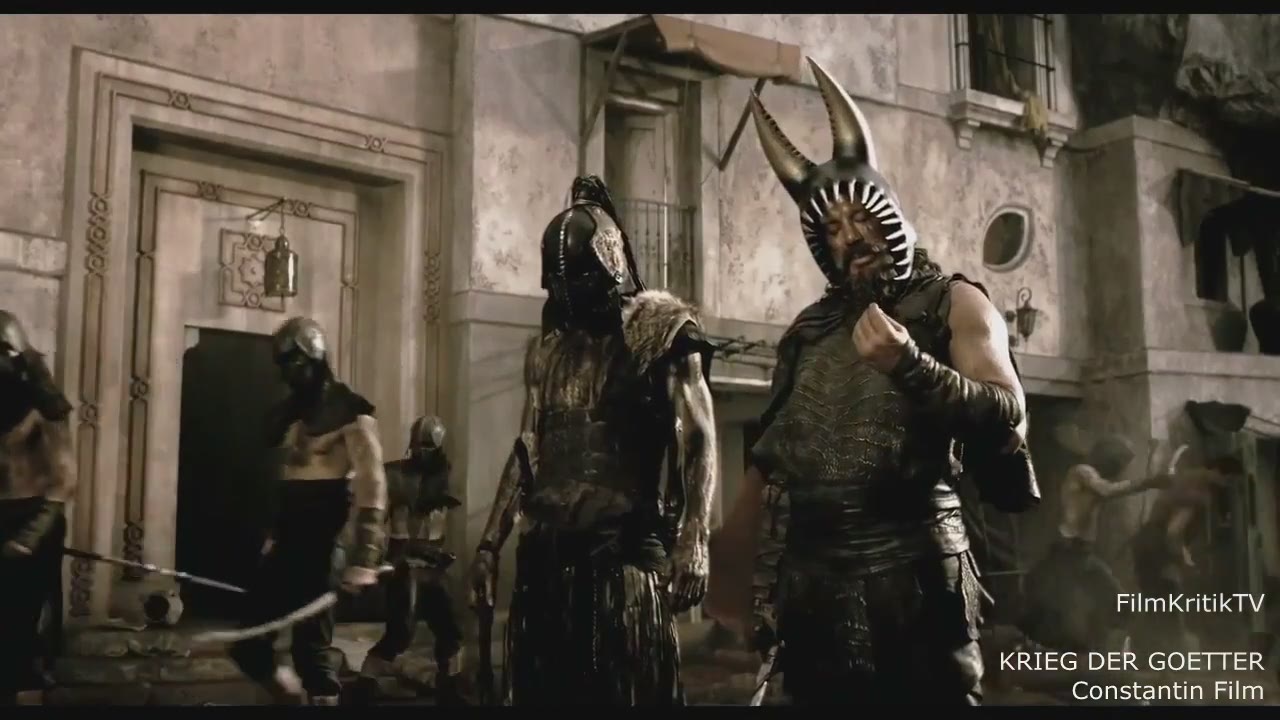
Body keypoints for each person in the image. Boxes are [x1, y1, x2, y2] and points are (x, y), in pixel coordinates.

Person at [704, 57, 1037, 706]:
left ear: (888, 211)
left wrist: (911, 365)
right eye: (832, 228)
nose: (851, 237)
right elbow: (772, 460)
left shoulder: (954, 304)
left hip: (916, 578)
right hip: (814, 587)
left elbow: (1006, 411)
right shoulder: (809, 332)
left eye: (860, 215)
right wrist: (739, 573)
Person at [467, 175, 718, 706]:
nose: (567, 295)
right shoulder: (547, 351)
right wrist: (489, 544)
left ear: (609, 265)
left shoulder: (661, 332)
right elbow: (530, 447)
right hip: (546, 564)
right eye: (558, 284)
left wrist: (695, 536)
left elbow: (697, 437)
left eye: (577, 279)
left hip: (623, 561)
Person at [227, 316, 388, 706]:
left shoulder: (352, 414)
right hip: (289, 539)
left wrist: (366, 556)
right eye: (282, 364)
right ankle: (293, 700)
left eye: (294, 362)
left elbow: (373, 484)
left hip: (325, 538)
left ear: (315, 359)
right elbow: (289, 481)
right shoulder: (294, 417)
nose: (287, 372)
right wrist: (274, 535)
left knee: (311, 654)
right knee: (249, 644)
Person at [1019, 435, 1186, 652]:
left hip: (1081, 555)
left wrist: (1152, 481)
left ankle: (1112, 646)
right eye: (1117, 463)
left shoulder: (1093, 477)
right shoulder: (1082, 472)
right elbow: (1106, 490)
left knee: (1112, 603)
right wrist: (1149, 482)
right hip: (1067, 553)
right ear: (1104, 456)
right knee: (1061, 606)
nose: (1118, 469)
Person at [356, 415, 464, 702]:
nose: (421, 452)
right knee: (401, 631)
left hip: (434, 562)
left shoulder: (444, 476)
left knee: (450, 628)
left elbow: (440, 517)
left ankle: (449, 684)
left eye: (428, 446)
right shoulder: (395, 475)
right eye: (418, 445)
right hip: (404, 563)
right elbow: (375, 521)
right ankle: (366, 681)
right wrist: (373, 558)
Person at [0, 310, 75, 707]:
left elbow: (64, 481)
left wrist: (29, 537)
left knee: (22, 635)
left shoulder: (43, 409)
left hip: (33, 521)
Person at [1130, 454, 1242, 653]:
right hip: (1157, 547)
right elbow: (1174, 532)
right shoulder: (1200, 492)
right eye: (1230, 480)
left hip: (1146, 541)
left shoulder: (1187, 477)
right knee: (1166, 599)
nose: (1229, 486)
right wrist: (1184, 562)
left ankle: (1147, 654)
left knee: (1154, 600)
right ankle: (1163, 655)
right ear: (1220, 473)